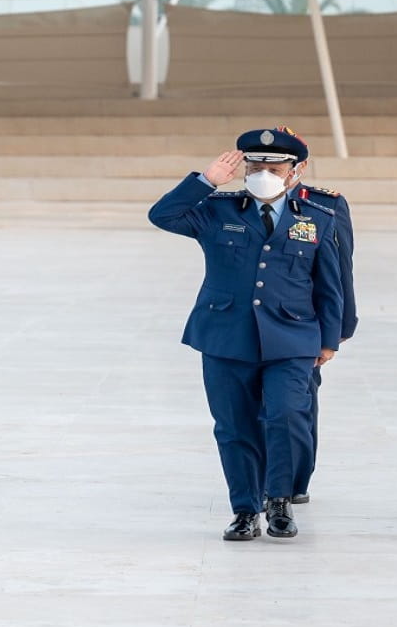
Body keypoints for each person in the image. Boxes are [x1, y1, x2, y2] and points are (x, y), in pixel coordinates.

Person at [147, 128, 343, 542]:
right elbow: (161, 216)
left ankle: (278, 501)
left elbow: (330, 284)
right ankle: (244, 510)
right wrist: (205, 181)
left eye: (274, 165)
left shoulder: (318, 217)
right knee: (234, 426)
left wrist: (330, 338)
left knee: (286, 416)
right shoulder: (217, 210)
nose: (264, 171)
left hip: (292, 337)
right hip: (225, 335)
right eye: (255, 164)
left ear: (296, 169)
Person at [287, 129, 357, 505]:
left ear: (299, 167)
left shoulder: (324, 206)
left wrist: (339, 328)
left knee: (298, 406)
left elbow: (340, 268)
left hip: (303, 324)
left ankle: (296, 479)